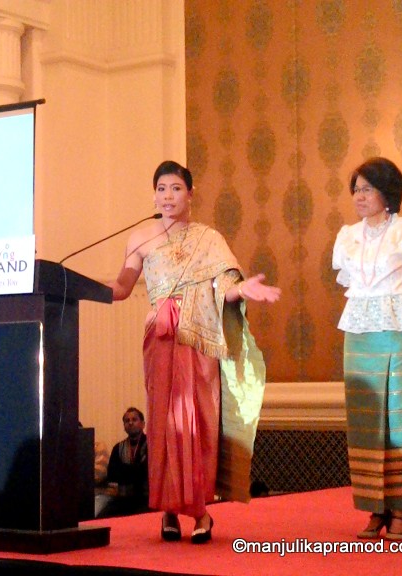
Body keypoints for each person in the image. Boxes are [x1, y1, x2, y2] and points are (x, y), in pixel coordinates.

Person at [109, 160, 281, 543]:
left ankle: (201, 512)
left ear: (190, 194)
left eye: (175, 188)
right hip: (160, 339)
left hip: (198, 340)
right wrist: (76, 285)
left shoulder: (209, 239)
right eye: (161, 189)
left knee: (196, 423)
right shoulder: (140, 238)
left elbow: (225, 288)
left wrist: (243, 289)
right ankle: (169, 511)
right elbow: (121, 288)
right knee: (163, 425)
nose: (167, 196)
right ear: (154, 195)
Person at [331, 157, 402, 540]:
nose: (359, 196)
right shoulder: (348, 236)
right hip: (359, 332)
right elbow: (350, 283)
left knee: (399, 418)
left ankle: (400, 508)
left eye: (368, 189)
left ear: (387, 193)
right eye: (356, 189)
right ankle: (374, 507)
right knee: (366, 418)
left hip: (399, 330)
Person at [96, 407, 150, 518]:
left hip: (145, 498)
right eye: (127, 420)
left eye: (134, 419)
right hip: (123, 498)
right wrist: (135, 470)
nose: (130, 423)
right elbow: (112, 475)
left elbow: (146, 472)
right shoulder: (118, 448)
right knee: (102, 517)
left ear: (143, 424)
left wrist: (125, 470)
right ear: (124, 426)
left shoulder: (151, 445)